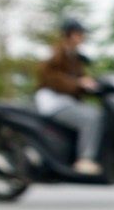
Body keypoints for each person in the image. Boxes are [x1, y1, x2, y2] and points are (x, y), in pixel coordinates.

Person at [36, 19, 104, 175]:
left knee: (94, 112)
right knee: (91, 118)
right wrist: (77, 83)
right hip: (54, 103)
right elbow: (52, 78)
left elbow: (80, 78)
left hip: (66, 102)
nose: (82, 37)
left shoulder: (74, 56)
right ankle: (85, 159)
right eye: (80, 34)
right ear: (71, 34)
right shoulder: (58, 53)